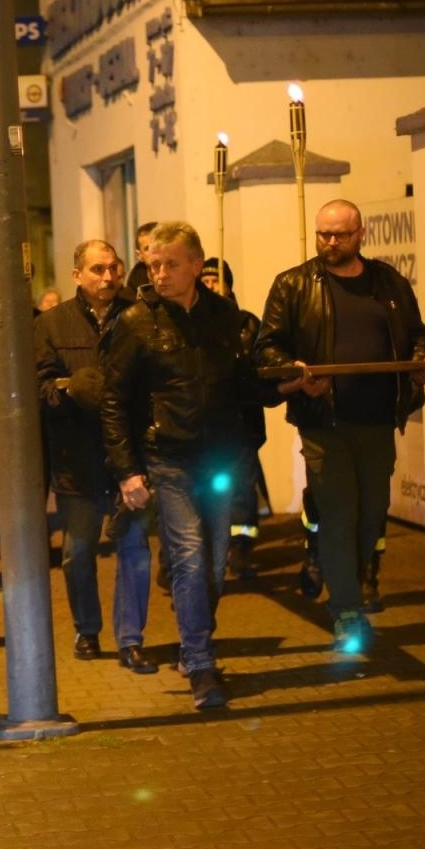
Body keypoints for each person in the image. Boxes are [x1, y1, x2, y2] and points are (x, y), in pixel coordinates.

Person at [256, 199, 425, 653]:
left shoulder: (388, 283)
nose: (330, 242)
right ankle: (347, 609)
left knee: (371, 513)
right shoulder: (293, 285)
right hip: (324, 421)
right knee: (339, 514)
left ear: (360, 234)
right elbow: (269, 349)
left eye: (339, 234)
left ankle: (339, 577)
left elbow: (418, 333)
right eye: (323, 234)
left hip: (379, 420)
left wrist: (422, 360)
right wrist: (296, 374)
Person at [102, 222, 271, 709]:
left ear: (198, 265)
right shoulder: (136, 322)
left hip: (218, 458)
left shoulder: (224, 317)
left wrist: (286, 387)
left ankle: (196, 642)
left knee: (214, 560)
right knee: (190, 554)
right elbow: (115, 400)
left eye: (170, 263)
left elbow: (244, 386)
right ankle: (200, 662)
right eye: (153, 264)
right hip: (167, 459)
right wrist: (127, 470)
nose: (159, 273)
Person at [36, 239, 153, 671]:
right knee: (78, 552)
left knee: (135, 549)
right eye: (98, 270)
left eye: (114, 268)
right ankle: (87, 629)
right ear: (77, 274)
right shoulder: (51, 324)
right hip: (77, 457)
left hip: (130, 456)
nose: (108, 278)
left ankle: (131, 639)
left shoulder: (139, 316)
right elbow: (40, 386)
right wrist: (71, 389)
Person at [201, 258, 270, 582]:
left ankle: (241, 549)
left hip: (240, 422)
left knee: (242, 489)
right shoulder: (194, 320)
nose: (210, 284)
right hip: (205, 425)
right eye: (205, 278)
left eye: (216, 279)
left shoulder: (245, 323)